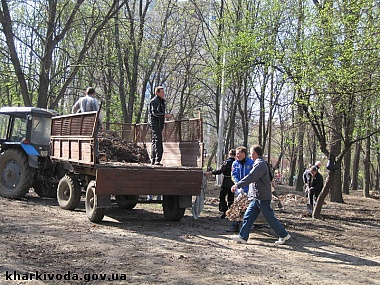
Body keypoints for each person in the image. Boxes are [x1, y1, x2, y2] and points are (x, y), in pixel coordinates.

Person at [231, 144, 291, 245]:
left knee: (270, 218)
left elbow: (252, 176)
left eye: (251, 153)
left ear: (255, 153)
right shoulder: (258, 163)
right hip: (256, 196)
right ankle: (242, 237)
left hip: (262, 197)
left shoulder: (260, 164)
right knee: (248, 216)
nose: (250, 156)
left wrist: (238, 185)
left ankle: (284, 235)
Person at [226, 146, 254, 232]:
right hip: (240, 190)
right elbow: (234, 175)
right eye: (236, 154)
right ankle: (235, 225)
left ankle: (249, 225)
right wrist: (238, 185)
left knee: (249, 209)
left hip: (250, 190)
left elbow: (253, 176)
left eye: (238, 153)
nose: (236, 155)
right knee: (237, 207)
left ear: (244, 154)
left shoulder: (251, 163)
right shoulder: (235, 164)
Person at [72, 87, 104, 163]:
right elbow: (97, 113)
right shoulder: (94, 100)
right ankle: (95, 157)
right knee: (94, 139)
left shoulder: (81, 100)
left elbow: (73, 109)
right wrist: (101, 124)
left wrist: (77, 115)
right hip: (92, 122)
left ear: (86, 93)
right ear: (93, 93)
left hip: (83, 122)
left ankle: (84, 156)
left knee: (84, 139)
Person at [205, 149, 236, 219]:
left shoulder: (226, 162)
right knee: (231, 198)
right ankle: (231, 212)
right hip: (234, 182)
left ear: (229, 154)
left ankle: (225, 211)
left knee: (222, 196)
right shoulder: (237, 162)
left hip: (226, 181)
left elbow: (220, 171)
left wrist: (211, 172)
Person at [149, 86, 174, 166]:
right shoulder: (154, 101)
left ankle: (153, 160)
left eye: (163, 92)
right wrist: (165, 115)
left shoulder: (162, 101)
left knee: (155, 140)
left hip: (160, 124)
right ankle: (157, 159)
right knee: (158, 140)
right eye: (162, 92)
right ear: (157, 93)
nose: (163, 94)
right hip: (155, 124)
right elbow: (154, 112)